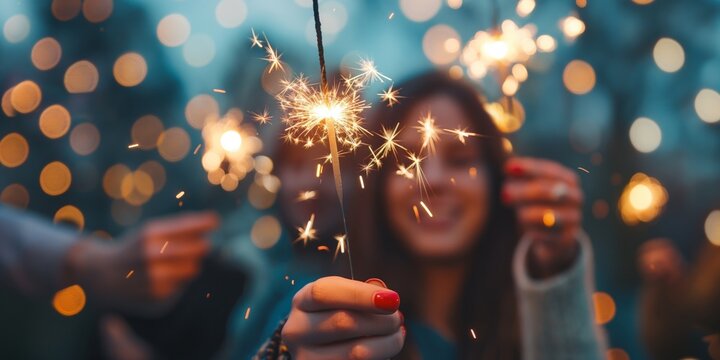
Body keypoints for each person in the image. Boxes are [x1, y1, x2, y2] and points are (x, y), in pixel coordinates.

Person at [255, 71, 606, 359]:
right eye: (406, 160)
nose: (432, 179)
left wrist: (555, 276)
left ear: (497, 178)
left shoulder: (531, 318)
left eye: (460, 158)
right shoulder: (324, 314)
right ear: (377, 185)